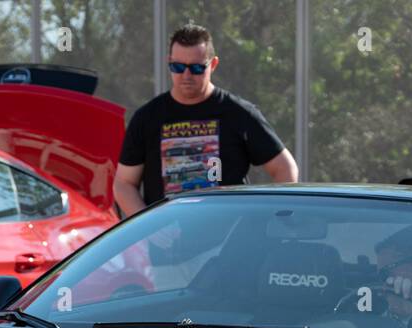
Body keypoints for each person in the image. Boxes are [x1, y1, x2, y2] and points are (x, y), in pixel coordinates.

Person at [114, 23, 298, 215]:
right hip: (167, 241)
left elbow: (285, 168)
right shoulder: (147, 118)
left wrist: (271, 219)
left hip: (230, 240)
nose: (186, 75)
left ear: (213, 64)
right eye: (177, 67)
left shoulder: (238, 112)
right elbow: (124, 183)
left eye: (196, 68)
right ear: (169, 62)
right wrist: (149, 229)